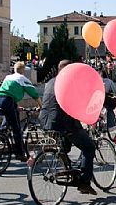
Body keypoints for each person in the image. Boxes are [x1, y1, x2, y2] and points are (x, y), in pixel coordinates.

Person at [39, 60, 97, 195]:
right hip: (64, 123)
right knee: (89, 147)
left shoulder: (50, 82)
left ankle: (68, 167)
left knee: (65, 146)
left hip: (45, 122)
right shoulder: (69, 82)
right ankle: (84, 182)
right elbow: (79, 103)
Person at [0, 61, 41, 161]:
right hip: (7, 101)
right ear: (23, 70)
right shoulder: (22, 78)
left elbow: (9, 91)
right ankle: (19, 153)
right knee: (17, 129)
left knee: (10, 114)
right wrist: (41, 106)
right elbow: (34, 93)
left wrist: (16, 106)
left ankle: (2, 133)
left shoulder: (8, 77)